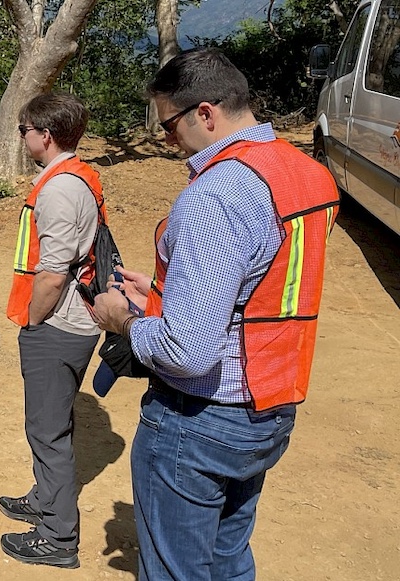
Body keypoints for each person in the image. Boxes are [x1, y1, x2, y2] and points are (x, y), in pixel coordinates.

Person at [91, 48, 340, 580]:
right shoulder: (307, 175)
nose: (167, 141)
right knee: (228, 559)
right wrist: (163, 290)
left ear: (205, 114)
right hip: (268, 406)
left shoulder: (218, 193)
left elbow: (187, 350)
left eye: (168, 127)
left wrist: (124, 319)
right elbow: (259, 286)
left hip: (200, 418)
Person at [0, 92, 105, 569]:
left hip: (58, 325)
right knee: (49, 423)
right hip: (68, 323)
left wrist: (34, 321)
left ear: (45, 134)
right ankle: (44, 500)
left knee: (47, 432)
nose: (21, 137)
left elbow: (54, 272)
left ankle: (58, 538)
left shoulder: (60, 189)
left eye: (24, 130)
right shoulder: (71, 178)